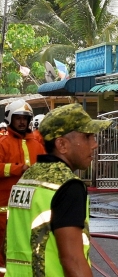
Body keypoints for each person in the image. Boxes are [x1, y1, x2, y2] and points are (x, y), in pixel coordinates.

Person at [5, 104, 109, 277]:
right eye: (87, 137)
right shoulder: (68, 186)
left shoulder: (28, 177)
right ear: (62, 144)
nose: (94, 144)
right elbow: (73, 260)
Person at [0, 100, 45, 271]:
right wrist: (16, 168)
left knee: (28, 250)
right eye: (18, 118)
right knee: (3, 253)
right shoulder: (2, 143)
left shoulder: (37, 145)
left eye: (25, 118)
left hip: (31, 210)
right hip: (4, 210)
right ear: (10, 119)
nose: (21, 122)